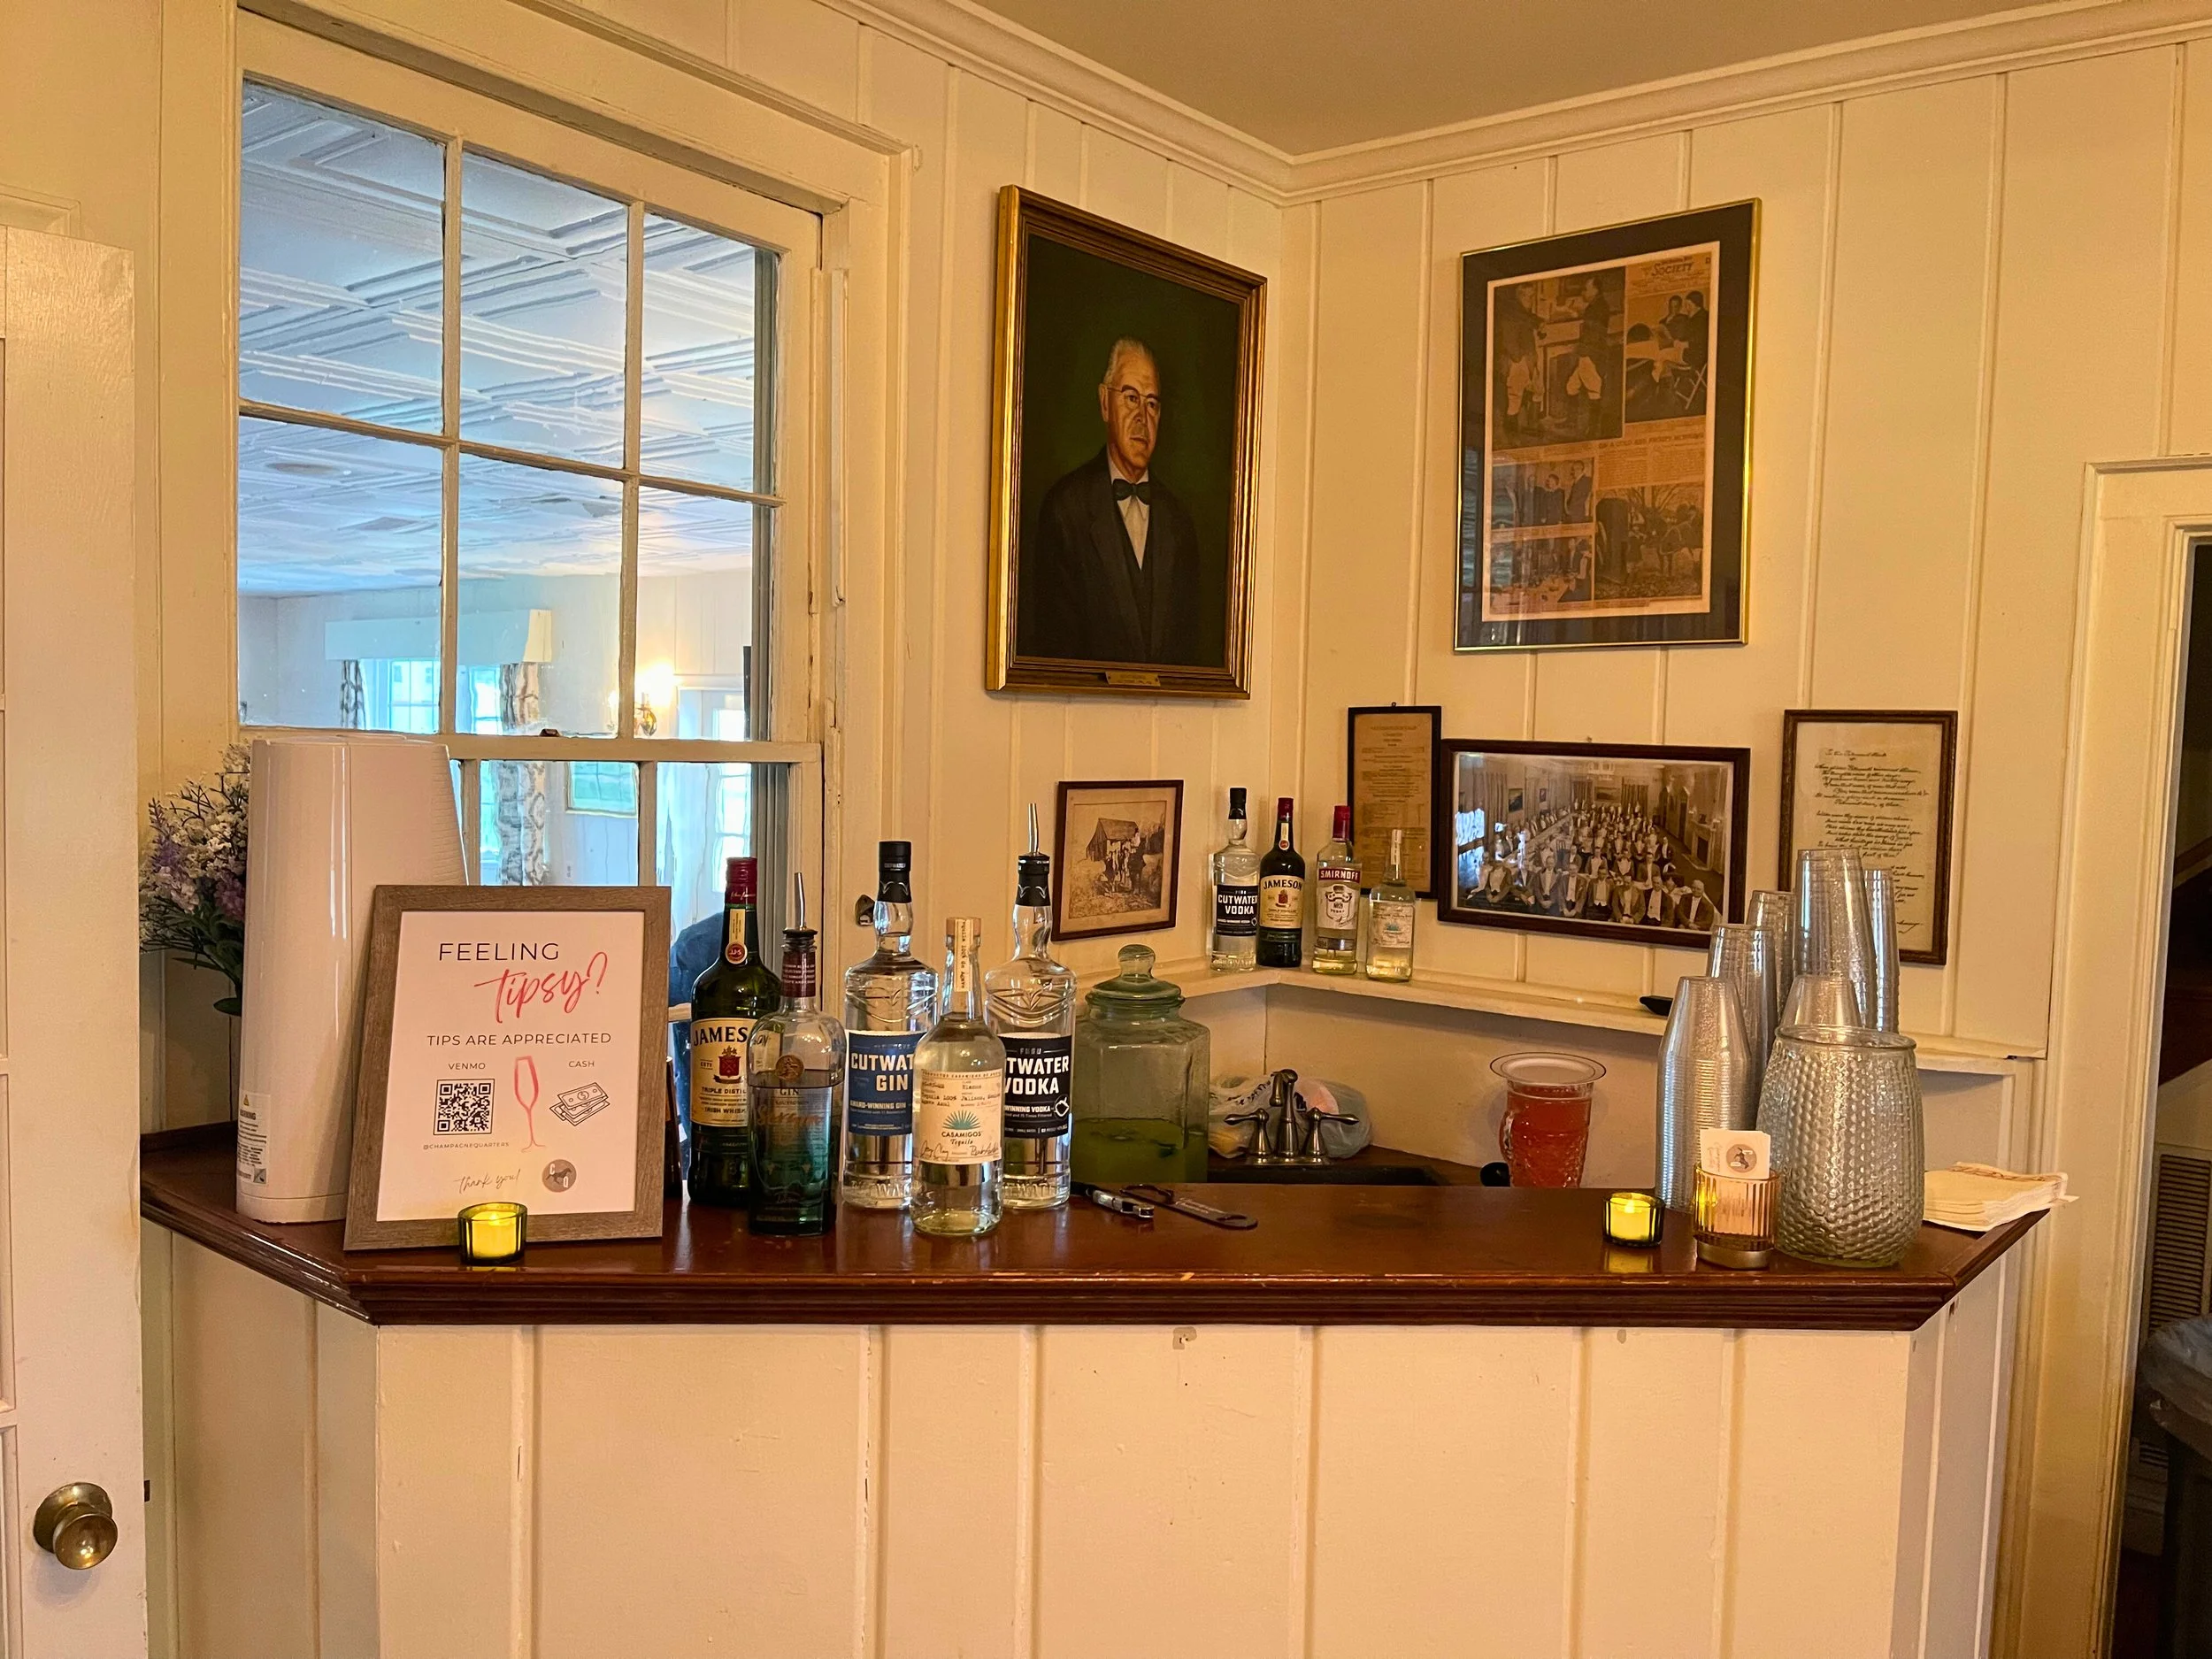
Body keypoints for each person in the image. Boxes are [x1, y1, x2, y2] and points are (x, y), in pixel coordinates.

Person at [1025, 338, 1207, 666]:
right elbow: (1054, 654)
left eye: (1151, 404)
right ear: (1105, 404)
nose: (1142, 417)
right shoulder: (1065, 510)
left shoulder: (1179, 524)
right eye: (1131, 398)